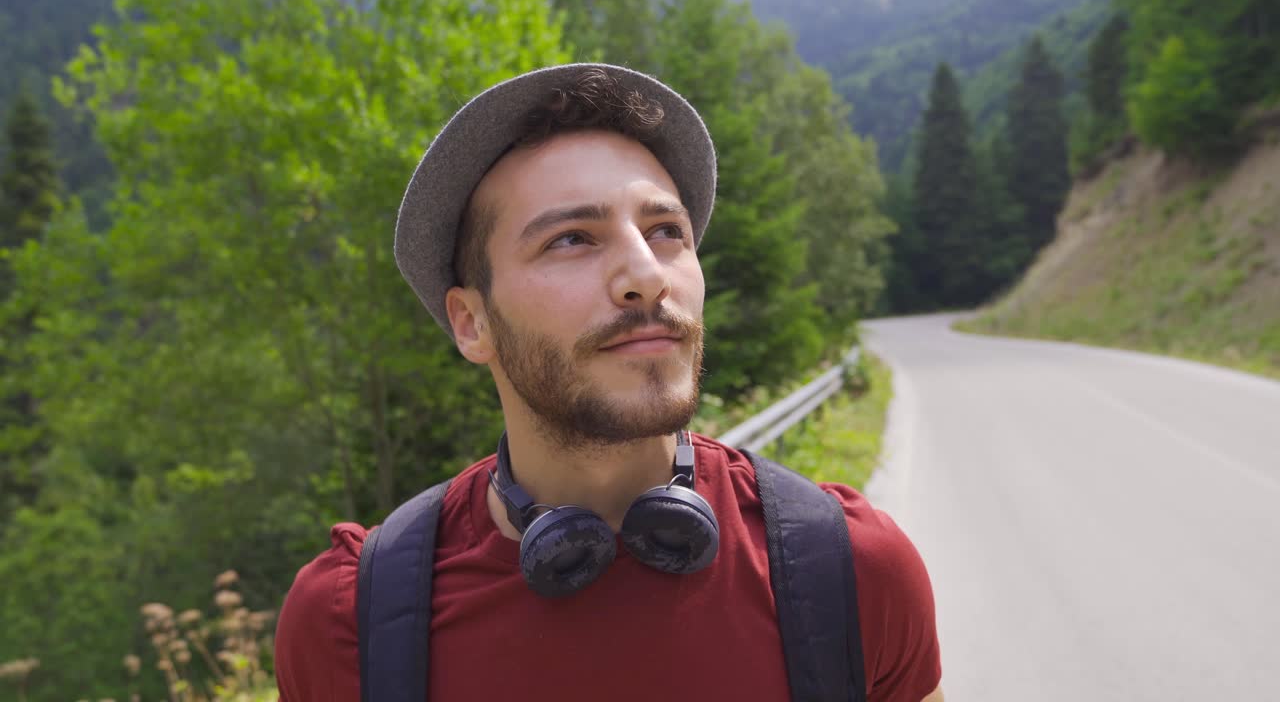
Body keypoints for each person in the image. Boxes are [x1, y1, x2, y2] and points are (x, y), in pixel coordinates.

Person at [274, 63, 943, 702]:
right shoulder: (352, 624)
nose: (646, 274)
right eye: (571, 239)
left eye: (666, 231)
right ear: (472, 322)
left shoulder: (848, 573)